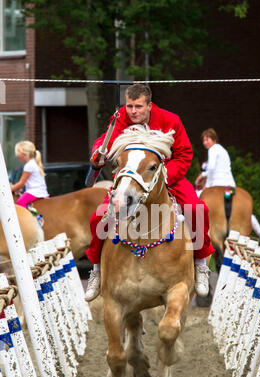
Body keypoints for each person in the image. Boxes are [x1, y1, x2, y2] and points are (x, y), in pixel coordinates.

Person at [84, 83, 215, 301]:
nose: (133, 111)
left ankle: (201, 264)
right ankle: (96, 270)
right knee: (98, 216)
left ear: (149, 105)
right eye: (129, 106)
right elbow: (104, 141)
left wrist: (162, 177)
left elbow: (184, 154)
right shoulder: (120, 118)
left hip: (166, 177)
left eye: (138, 106)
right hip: (132, 179)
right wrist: (98, 152)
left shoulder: (171, 120)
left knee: (197, 209)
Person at [195, 128, 260, 241]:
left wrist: (203, 177)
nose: (205, 143)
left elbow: (212, 168)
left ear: (213, 139)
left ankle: (196, 235)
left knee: (194, 200)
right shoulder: (223, 150)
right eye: (203, 140)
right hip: (230, 187)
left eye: (207, 139)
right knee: (245, 210)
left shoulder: (213, 149)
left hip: (217, 184)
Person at [10, 141, 49, 208]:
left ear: (24, 153)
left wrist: (11, 189)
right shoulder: (33, 163)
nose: (17, 155)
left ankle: (27, 218)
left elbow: (21, 183)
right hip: (40, 191)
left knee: (20, 202)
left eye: (18, 153)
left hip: (35, 192)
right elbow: (26, 183)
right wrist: (17, 189)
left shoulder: (29, 165)